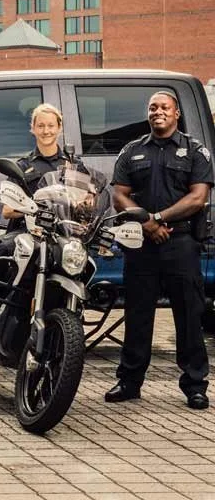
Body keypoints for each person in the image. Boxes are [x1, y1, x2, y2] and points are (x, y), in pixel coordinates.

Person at [105, 90, 212, 409]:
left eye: (165, 107)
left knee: (189, 314)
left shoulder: (195, 151)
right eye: (153, 107)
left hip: (181, 242)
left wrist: (159, 218)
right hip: (142, 243)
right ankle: (129, 381)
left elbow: (198, 197)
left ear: (177, 113)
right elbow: (119, 195)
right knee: (137, 314)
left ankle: (195, 385)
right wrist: (146, 222)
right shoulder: (132, 150)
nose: (158, 111)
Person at [0, 103, 85, 336]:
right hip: (27, 232)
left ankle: (73, 319)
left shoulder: (73, 164)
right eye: (41, 126)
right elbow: (8, 211)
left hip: (62, 234)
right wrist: (32, 209)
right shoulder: (22, 166)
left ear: (59, 128)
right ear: (33, 129)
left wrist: (87, 205)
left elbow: (86, 199)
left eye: (51, 125)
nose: (46, 130)